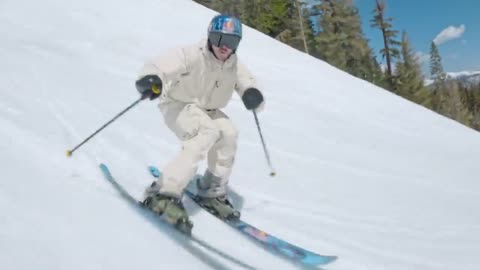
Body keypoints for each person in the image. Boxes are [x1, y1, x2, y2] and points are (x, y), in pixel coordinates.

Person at [135, 15, 265, 231]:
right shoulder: (191, 55)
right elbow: (158, 65)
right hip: (178, 104)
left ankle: (212, 191)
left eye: (231, 42)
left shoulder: (233, 65)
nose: (225, 46)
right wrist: (151, 79)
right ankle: (163, 193)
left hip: (208, 109)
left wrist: (253, 95)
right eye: (219, 38)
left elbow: (248, 83)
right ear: (209, 36)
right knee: (206, 132)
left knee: (228, 134)